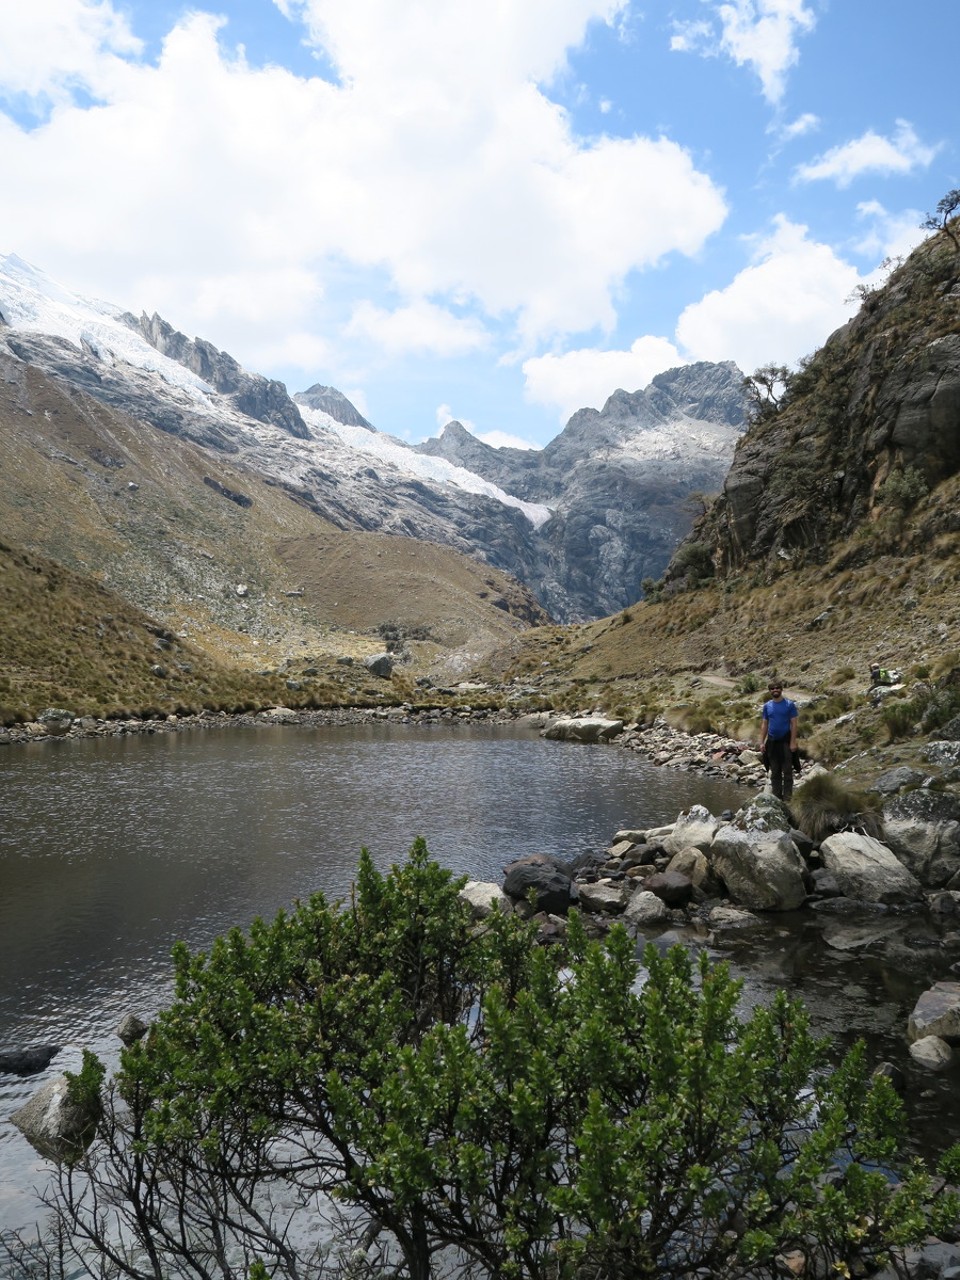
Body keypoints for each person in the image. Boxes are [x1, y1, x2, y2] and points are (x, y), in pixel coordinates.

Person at [759, 680, 799, 802]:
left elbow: (794, 724)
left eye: (777, 688)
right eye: (772, 688)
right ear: (770, 691)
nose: (775, 690)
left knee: (787, 771)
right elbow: (764, 724)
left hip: (785, 741)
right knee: (775, 771)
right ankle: (777, 798)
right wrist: (761, 742)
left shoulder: (789, 704)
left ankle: (788, 799)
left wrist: (793, 742)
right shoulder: (767, 706)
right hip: (772, 742)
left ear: (781, 689)